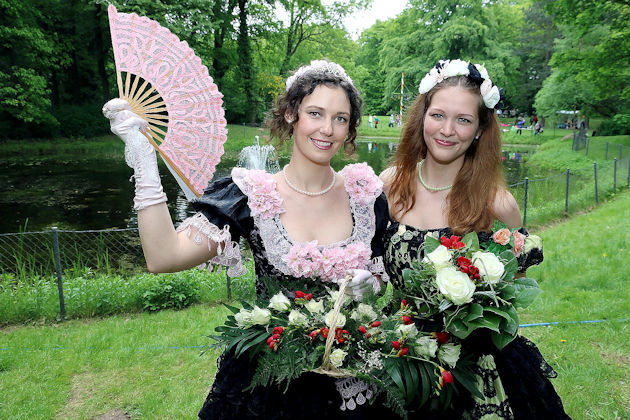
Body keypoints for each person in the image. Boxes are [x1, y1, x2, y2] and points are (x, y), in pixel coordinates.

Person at [103, 60, 394, 419]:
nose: (327, 129)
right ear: (291, 114)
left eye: (340, 118)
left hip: (349, 377)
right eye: (315, 113)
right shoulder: (250, 195)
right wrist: (143, 160)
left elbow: (377, 272)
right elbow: (163, 257)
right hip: (266, 378)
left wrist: (373, 286)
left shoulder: (365, 195)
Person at [379, 59, 570, 419]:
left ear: (480, 128)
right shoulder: (390, 185)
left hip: (471, 366)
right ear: (422, 117)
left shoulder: (496, 203)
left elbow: (515, 288)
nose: (447, 130)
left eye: (463, 119)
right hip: (399, 355)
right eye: (438, 115)